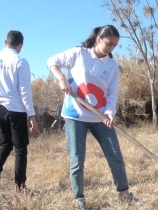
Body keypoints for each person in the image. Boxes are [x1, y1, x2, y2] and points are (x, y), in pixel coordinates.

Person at [47, 25, 139, 209]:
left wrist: (109, 113)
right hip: (75, 115)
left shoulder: (112, 66)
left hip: (100, 117)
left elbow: (112, 94)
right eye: (109, 43)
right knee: (77, 159)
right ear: (98, 39)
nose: (111, 48)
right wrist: (61, 79)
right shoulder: (78, 54)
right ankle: (79, 199)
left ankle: (124, 193)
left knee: (115, 155)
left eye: (114, 45)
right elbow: (52, 61)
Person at [0, 30, 38, 194]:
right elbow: (24, 91)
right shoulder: (20, 61)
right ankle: (20, 187)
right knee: (20, 148)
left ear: (5, 42)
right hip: (16, 109)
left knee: (5, 144)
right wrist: (32, 116)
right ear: (21, 45)